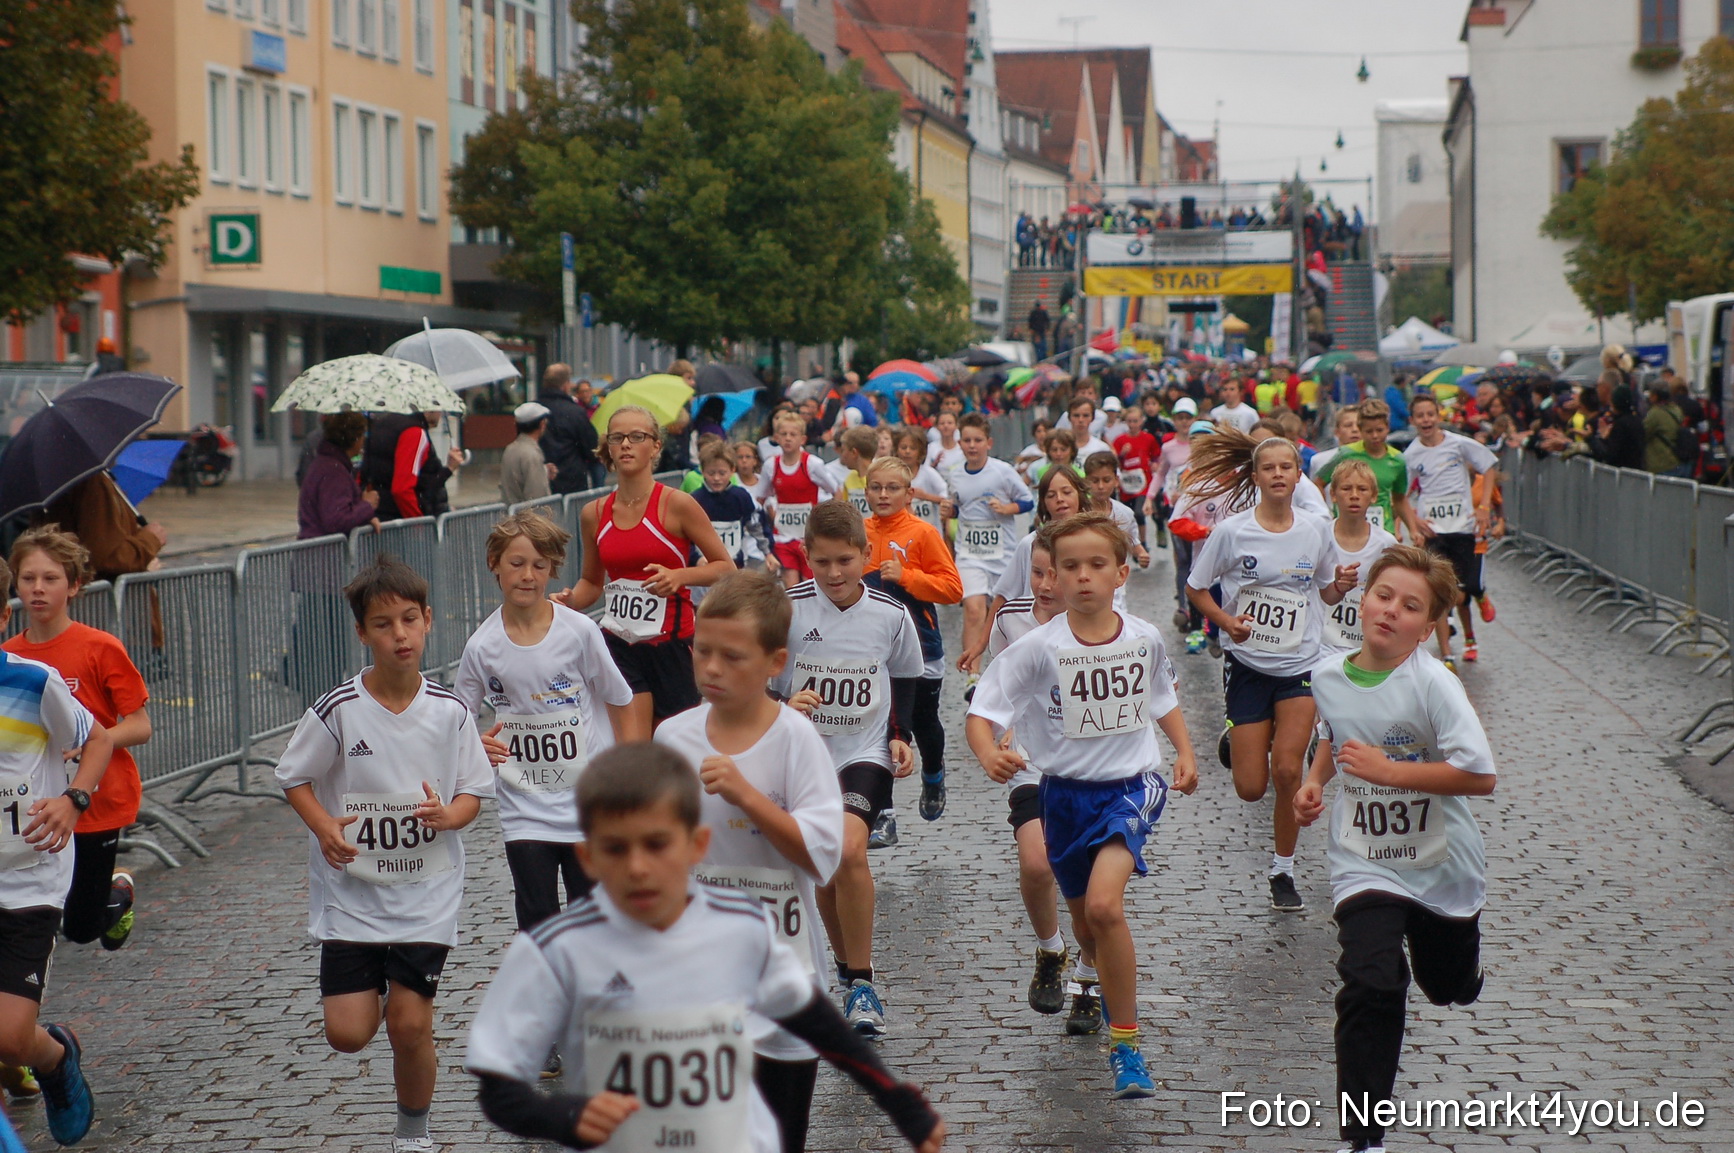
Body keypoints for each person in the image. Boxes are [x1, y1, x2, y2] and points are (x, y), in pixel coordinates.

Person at [463, 743, 946, 1153]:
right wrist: (564, 1115)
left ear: (696, 845)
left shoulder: (741, 929)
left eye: (657, 844)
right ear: (587, 855)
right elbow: (498, 1085)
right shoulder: (553, 950)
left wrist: (901, 1103)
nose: (637, 867)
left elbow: (815, 1020)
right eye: (616, 848)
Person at [967, 514, 1198, 1099]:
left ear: (1122, 572)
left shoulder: (1143, 635)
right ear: (1052, 576)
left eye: (1097, 564)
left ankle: (1127, 1048)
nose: (1083, 576)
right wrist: (986, 753)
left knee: (1104, 907)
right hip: (1063, 796)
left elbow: (1161, 695)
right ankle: (1086, 972)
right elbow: (983, 712)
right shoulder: (1038, 648)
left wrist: (1185, 751)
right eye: (1069, 566)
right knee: (1083, 922)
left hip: (1130, 788)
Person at [274, 556, 493, 1153]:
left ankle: (413, 1135)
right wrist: (324, 827)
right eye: (382, 624)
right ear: (362, 633)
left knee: (410, 1022)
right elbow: (292, 777)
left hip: (427, 892)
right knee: (348, 1034)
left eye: (407, 620)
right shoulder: (340, 708)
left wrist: (452, 815)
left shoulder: (450, 711)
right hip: (354, 894)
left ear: (427, 621)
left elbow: (475, 789)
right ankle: (372, 985)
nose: (398, 635)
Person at [1293, 547, 1496, 1153]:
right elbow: (1335, 735)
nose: (1390, 612)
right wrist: (1313, 783)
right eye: (1384, 595)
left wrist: (1391, 772)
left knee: (1446, 985)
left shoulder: (1434, 682)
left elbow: (1480, 776)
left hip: (1442, 865)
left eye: (1411, 607)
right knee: (1371, 983)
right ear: (1364, 596)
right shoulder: (1328, 674)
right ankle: (1364, 1140)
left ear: (1430, 623)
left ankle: (1459, 973)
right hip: (1365, 858)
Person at [654, 573, 846, 1152]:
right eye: (702, 651)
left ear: (774, 661)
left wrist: (748, 797)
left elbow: (821, 856)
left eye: (731, 656)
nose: (711, 667)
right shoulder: (672, 737)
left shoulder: (795, 740)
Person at [1184, 428, 1352, 912]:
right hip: (1248, 664)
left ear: (1298, 475)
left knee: (1286, 772)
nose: (1278, 474)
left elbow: (1324, 591)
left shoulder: (1317, 528)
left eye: (1286, 467)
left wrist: (1339, 586)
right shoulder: (1233, 531)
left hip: (1301, 665)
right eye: (1268, 467)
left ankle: (1283, 870)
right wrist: (1226, 623)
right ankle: (1238, 738)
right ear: (1255, 476)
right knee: (1250, 786)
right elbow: (1197, 589)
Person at [773, 504, 923, 1042]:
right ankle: (844, 968)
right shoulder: (786, 610)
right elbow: (760, 677)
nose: (834, 574)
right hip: (802, 754)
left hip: (864, 752)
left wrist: (901, 736)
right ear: (806, 557)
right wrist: (783, 704)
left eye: (845, 561)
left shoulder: (890, 613)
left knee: (850, 849)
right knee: (823, 868)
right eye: (821, 562)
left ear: (866, 555)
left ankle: (862, 983)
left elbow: (907, 676)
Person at [456, 511, 634, 940]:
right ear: (495, 564)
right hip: (524, 807)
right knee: (537, 922)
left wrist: (630, 779)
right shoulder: (482, 646)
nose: (528, 576)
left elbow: (620, 697)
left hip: (585, 805)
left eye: (540, 566)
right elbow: (459, 722)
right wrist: (478, 745)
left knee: (591, 921)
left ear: (553, 570)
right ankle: (550, 1000)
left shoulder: (579, 631)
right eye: (516, 564)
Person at [0, 548, 114, 1147]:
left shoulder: (30, 681)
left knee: (11, 1038)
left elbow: (96, 742)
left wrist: (74, 799)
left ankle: (53, 1056)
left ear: (1, 617)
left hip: (28, 878)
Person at [3, 528, 151, 952]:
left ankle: (118, 891)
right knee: (40, 911)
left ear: (74, 585)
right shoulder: (11, 656)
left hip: (98, 800)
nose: (37, 589)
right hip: (36, 806)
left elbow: (140, 725)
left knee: (83, 928)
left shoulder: (99, 648)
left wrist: (92, 742)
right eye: (28, 578)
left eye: (50, 579)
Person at [561, 407, 736, 730]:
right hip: (618, 644)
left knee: (671, 750)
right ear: (608, 448)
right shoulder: (593, 513)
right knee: (634, 754)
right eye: (617, 438)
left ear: (655, 446)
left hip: (672, 645)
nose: (626, 444)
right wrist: (568, 600)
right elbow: (591, 582)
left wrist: (680, 576)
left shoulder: (677, 504)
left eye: (637, 437)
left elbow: (726, 568)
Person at [982, 535, 1079, 1025]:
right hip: (1031, 762)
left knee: (1093, 890)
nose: (1043, 585)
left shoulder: (1112, 626)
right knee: (1038, 863)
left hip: (1094, 771)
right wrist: (999, 738)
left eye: (1053, 574)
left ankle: (1091, 977)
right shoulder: (1011, 619)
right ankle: (1050, 950)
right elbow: (995, 691)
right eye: (1036, 573)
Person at [862, 456, 962, 839]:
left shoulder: (922, 534)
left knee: (921, 722)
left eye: (892, 488)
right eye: (876, 487)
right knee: (880, 727)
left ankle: (933, 773)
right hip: (873, 649)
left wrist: (908, 577)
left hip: (921, 641)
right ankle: (882, 811)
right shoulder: (859, 532)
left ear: (909, 494)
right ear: (866, 490)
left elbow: (952, 589)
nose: (883, 495)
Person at [1403, 394, 1500, 669]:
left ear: (1438, 416)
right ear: (1413, 421)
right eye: (1420, 416)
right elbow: (1400, 494)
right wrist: (1414, 521)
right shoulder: (1411, 454)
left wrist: (1483, 506)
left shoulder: (1458, 444)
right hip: (1434, 531)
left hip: (1463, 526)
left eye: (1430, 414)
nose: (1426, 420)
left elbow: (1490, 465)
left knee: (1465, 589)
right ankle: (1447, 655)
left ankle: (1479, 596)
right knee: (1440, 593)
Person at [941, 414, 1034, 693]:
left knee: (1008, 614)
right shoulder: (955, 474)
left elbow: (1027, 501)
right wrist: (950, 512)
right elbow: (959, 506)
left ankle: (1016, 669)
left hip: (1002, 554)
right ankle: (973, 674)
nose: (972, 445)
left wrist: (1007, 509)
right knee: (973, 609)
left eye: (977, 440)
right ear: (960, 443)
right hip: (969, 553)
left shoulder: (1003, 471)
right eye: (967, 440)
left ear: (988, 443)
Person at [1317, 461, 1398, 661]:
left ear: (1373, 496)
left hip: (1365, 647)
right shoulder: (1318, 537)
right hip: (1320, 646)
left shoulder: (1386, 544)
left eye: (1362, 489)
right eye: (1346, 489)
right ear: (1333, 495)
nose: (1354, 495)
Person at [751, 411, 841, 588]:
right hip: (783, 536)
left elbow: (836, 491)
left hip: (809, 537)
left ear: (803, 439)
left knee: (811, 586)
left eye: (793, 435)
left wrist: (830, 523)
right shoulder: (771, 465)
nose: (788, 439)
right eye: (783, 434)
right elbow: (760, 498)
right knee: (792, 589)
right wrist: (761, 522)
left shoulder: (812, 464)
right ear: (776, 438)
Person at [1316, 399, 1422, 540]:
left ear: (1388, 428)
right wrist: (1325, 513)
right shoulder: (1346, 454)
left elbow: (1399, 498)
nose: (1375, 436)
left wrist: (1413, 530)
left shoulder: (1397, 460)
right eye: (1369, 431)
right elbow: (1318, 483)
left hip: (1384, 531)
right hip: (1347, 532)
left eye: (1379, 430)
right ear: (1360, 430)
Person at [690, 441, 773, 577]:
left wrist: (768, 553)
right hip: (703, 568)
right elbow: (686, 536)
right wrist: (696, 558)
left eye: (722, 473)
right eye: (711, 473)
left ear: (732, 470)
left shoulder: (741, 497)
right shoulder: (695, 500)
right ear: (703, 471)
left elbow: (756, 525)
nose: (716, 478)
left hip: (735, 566)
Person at [363, 411, 461, 521]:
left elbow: (424, 481)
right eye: (438, 407)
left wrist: (449, 469)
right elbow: (402, 489)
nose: (441, 413)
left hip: (381, 516)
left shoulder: (380, 424)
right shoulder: (414, 432)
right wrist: (418, 523)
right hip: (402, 521)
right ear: (427, 410)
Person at [538, 364, 603, 494]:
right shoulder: (575, 412)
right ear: (566, 385)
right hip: (571, 482)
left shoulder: (535, 409)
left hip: (541, 480)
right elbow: (591, 447)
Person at [1082, 453, 1150, 569]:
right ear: (1086, 481)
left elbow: (1132, 540)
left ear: (1116, 480)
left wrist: (1141, 554)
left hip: (1117, 582)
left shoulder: (1125, 513)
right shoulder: (1078, 512)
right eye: (1095, 481)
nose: (1101, 486)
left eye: (1106, 480)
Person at [1111, 404, 1160, 551]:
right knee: (1128, 516)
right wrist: (1122, 455)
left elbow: (1157, 455)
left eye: (1135, 421)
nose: (1132, 424)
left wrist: (1155, 464)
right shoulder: (1120, 441)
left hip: (1144, 483)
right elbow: (1114, 462)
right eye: (1130, 421)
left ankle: (1143, 542)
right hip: (1127, 484)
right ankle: (1133, 543)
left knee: (1139, 513)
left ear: (1141, 421)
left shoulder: (1148, 438)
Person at [498, 402, 554, 507]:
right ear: (542, 424)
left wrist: (544, 471)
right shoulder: (531, 454)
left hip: (512, 517)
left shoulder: (511, 449)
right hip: (526, 520)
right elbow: (537, 496)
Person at [1642, 380, 1691, 477]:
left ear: (1655, 396)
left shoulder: (1655, 413)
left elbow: (1642, 434)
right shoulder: (1676, 409)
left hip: (1662, 464)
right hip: (1677, 461)